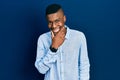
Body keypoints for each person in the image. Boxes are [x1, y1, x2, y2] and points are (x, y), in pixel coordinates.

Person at [35, 4, 90, 80]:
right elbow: (41, 70)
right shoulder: (43, 39)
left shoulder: (79, 37)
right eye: (50, 22)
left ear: (64, 18)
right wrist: (53, 48)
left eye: (57, 21)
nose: (54, 26)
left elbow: (84, 66)